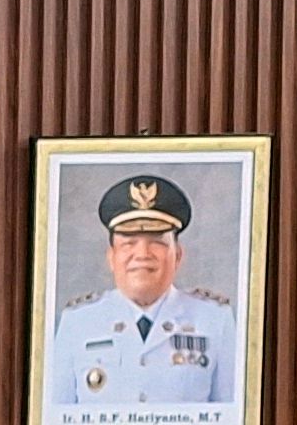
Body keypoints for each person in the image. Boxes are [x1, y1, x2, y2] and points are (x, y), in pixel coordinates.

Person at [50, 172, 237, 405]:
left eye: (157, 242)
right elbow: (57, 416)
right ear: (111, 257)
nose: (142, 255)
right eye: (129, 243)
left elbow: (231, 418)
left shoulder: (215, 320)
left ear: (178, 256)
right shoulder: (78, 322)